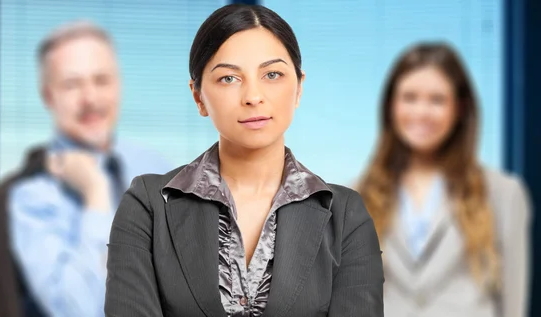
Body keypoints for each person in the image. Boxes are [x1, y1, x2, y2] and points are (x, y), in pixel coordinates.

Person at [104, 4, 384, 317]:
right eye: (228, 78)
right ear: (198, 97)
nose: (253, 96)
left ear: (299, 88)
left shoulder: (344, 215)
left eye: (272, 74)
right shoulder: (148, 206)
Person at [7, 21, 171, 317]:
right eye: (72, 84)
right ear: (48, 96)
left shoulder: (156, 167)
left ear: (119, 85)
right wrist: (96, 194)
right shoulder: (32, 198)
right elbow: (76, 309)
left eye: (102, 80)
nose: (91, 99)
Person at [357, 43, 532, 317]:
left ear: (460, 108)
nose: (422, 112)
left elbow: (513, 306)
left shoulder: (504, 194)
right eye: (410, 98)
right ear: (391, 105)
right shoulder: (354, 197)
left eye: (437, 100)